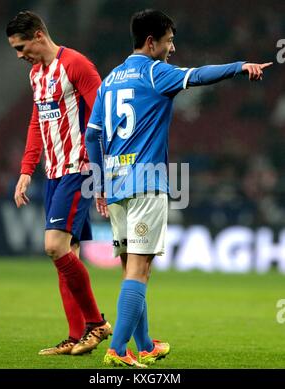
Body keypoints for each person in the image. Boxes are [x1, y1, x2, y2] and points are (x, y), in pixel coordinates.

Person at [85, 9, 273, 367]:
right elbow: (200, 75)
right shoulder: (155, 73)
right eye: (169, 41)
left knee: (132, 270)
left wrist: (99, 183)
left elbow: (93, 136)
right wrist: (239, 66)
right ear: (151, 42)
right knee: (140, 270)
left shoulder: (109, 80)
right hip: (146, 183)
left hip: (115, 185)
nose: (173, 48)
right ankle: (118, 349)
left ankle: (146, 345)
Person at [6, 11, 112, 356]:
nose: (20, 55)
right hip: (53, 172)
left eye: (22, 47)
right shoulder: (37, 74)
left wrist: (102, 172)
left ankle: (97, 324)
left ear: (38, 35)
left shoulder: (78, 64)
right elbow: (37, 124)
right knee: (67, 252)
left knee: (54, 246)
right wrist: (26, 170)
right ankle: (76, 334)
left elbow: (102, 118)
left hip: (78, 169)